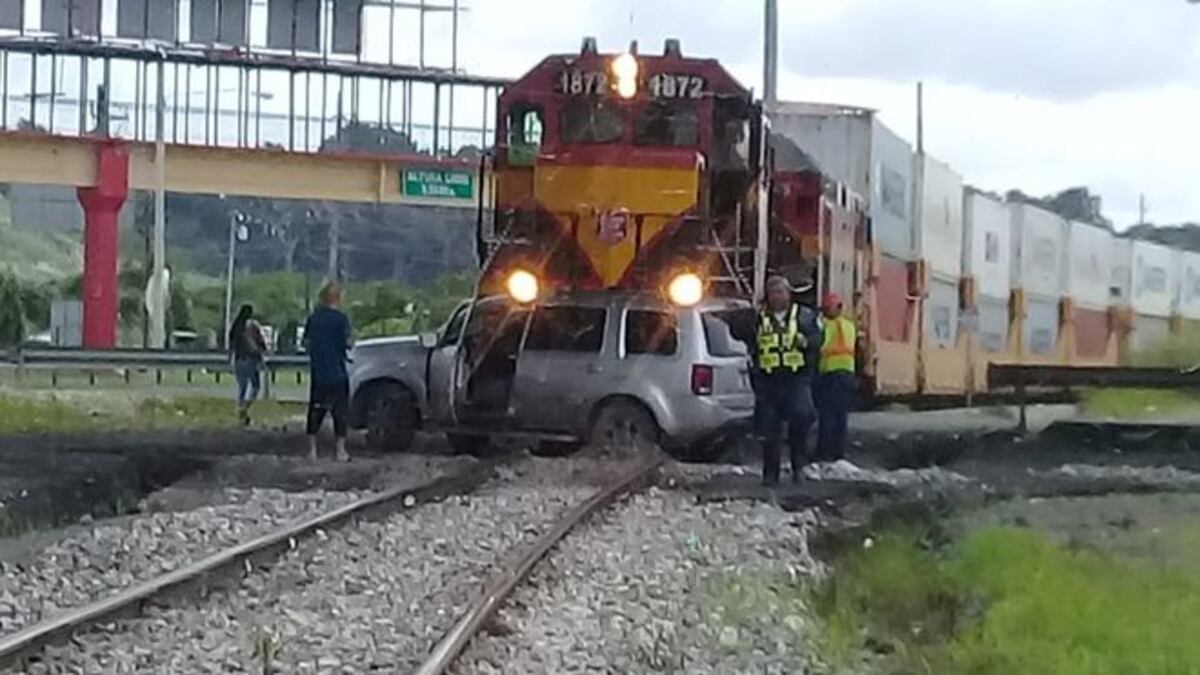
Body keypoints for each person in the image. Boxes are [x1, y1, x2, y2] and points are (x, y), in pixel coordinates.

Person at [752, 275, 820, 486]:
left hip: (795, 379)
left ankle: (798, 467)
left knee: (800, 421)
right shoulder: (759, 319)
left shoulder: (804, 316)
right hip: (769, 382)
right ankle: (770, 474)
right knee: (769, 429)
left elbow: (818, 340)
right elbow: (745, 337)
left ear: (789, 294)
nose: (777, 296)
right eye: (773, 292)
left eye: (781, 291)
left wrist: (806, 341)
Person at [304, 281, 354, 462]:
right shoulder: (341, 319)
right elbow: (348, 342)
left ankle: (312, 451)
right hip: (337, 372)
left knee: (315, 409)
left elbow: (307, 343)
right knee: (340, 411)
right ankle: (340, 451)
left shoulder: (314, 318)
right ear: (337, 298)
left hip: (318, 371)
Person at [816, 292, 858, 462]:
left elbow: (820, 346)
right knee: (840, 417)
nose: (825, 311)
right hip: (847, 373)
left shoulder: (825, 325)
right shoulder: (849, 325)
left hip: (830, 374)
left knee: (827, 416)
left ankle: (824, 453)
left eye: (826, 308)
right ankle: (838, 453)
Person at [228, 304, 267, 426]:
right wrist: (261, 356)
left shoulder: (236, 327)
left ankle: (241, 410)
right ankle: (245, 407)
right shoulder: (253, 326)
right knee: (255, 387)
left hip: (239, 360)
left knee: (242, 388)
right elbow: (261, 344)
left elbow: (231, 346)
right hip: (251, 360)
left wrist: (230, 360)